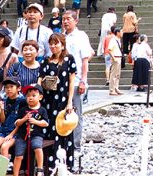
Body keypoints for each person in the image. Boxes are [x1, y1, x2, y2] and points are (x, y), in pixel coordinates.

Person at [39, 33, 77, 171]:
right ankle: (49, 163)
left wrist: (69, 102)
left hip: (62, 99)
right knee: (48, 128)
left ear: (62, 44)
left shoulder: (69, 59)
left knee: (63, 128)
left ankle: (65, 163)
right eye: (51, 43)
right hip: (47, 100)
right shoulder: (45, 60)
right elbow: (40, 78)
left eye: (56, 43)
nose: (53, 46)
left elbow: (72, 81)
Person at [62, 10, 93, 157]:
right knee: (62, 112)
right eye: (64, 19)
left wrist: (83, 81)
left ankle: (76, 146)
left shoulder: (81, 36)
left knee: (76, 113)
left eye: (68, 19)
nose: (65, 22)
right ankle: (63, 143)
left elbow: (85, 60)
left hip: (76, 80)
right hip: (61, 80)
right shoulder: (61, 36)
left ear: (76, 21)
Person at [13, 84, 49, 176]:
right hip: (22, 135)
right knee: (18, 155)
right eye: (28, 96)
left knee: (37, 147)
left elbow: (46, 123)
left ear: (40, 97)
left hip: (36, 135)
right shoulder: (23, 109)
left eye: (33, 95)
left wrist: (36, 121)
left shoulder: (42, 110)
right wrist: (24, 119)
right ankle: (15, 174)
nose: (30, 98)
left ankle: (40, 169)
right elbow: (17, 123)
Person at [0, 76, 25, 162]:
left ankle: (3, 171)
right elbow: (3, 120)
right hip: (4, 131)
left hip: (16, 133)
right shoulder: (4, 101)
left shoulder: (23, 102)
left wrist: (11, 134)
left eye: (11, 87)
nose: (9, 89)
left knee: (4, 147)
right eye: (6, 87)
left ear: (18, 88)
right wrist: (1, 109)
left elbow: (21, 122)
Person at [107, 27, 123, 96]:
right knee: (113, 74)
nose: (122, 33)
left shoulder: (118, 40)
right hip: (115, 57)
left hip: (119, 57)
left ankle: (116, 87)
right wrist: (113, 57)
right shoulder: (113, 40)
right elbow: (109, 49)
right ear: (118, 33)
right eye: (121, 32)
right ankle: (112, 89)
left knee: (117, 74)